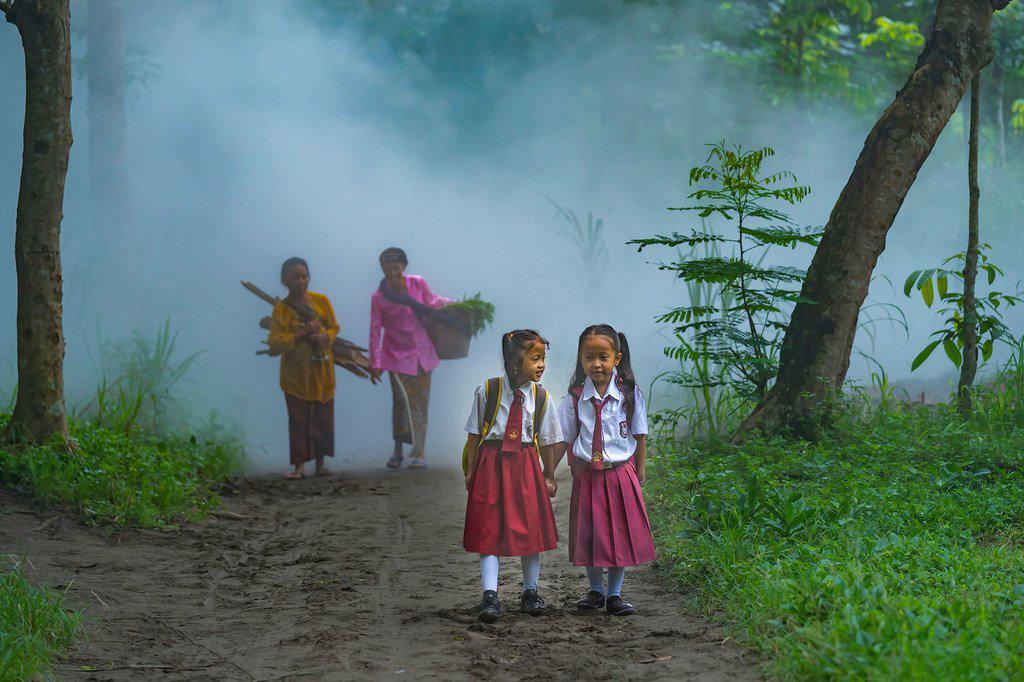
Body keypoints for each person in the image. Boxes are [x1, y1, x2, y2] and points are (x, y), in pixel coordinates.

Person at [551, 324, 655, 616]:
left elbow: (640, 434)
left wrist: (640, 469)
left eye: (603, 357)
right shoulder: (574, 397)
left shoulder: (629, 394)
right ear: (580, 359)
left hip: (621, 472)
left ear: (617, 358)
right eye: (588, 357)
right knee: (591, 532)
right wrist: (547, 473)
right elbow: (564, 439)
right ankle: (595, 590)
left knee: (618, 533)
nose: (596, 364)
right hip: (587, 475)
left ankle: (615, 594)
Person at [463, 330, 561, 623]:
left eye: (543, 358)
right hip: (491, 466)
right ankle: (489, 596)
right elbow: (472, 434)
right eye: (535, 358)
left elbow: (547, 440)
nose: (541, 364)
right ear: (514, 362)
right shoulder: (488, 391)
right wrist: (470, 471)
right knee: (488, 529)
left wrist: (549, 474)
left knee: (530, 529)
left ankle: (530, 593)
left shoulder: (541, 397)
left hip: (526, 466)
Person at [368, 247, 453, 469]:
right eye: (388, 269)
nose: (393, 273)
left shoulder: (417, 283)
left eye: (397, 268)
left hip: (422, 354)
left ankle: (419, 452)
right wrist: (374, 363)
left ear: (404, 267)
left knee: (420, 404)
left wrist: (456, 305)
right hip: (394, 357)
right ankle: (398, 449)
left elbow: (432, 301)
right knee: (401, 403)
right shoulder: (378, 298)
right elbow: (375, 330)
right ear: (382, 270)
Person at [268, 257, 340, 480]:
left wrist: (324, 336)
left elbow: (334, 327)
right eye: (295, 277)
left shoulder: (321, 301)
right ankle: (298, 466)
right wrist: (303, 333)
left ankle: (320, 464)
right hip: (296, 375)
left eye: (304, 276)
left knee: (322, 417)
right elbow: (276, 342)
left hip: (322, 372)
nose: (301, 281)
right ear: (284, 280)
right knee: (298, 420)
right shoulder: (282, 309)